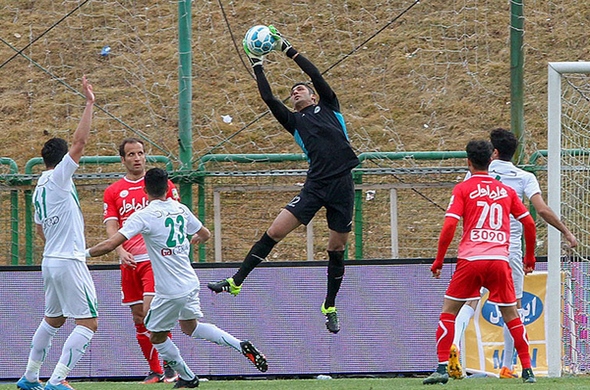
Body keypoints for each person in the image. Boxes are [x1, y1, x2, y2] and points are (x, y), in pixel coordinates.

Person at [207, 25, 360, 334]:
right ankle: (236, 282)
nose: (295, 92)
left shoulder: (329, 106)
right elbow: (267, 97)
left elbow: (315, 74)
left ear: (313, 95)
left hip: (342, 184)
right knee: (275, 231)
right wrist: (257, 63)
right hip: (316, 185)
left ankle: (330, 305)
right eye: (293, 93)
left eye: (300, 90)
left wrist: (287, 49)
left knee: (336, 247)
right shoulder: (294, 121)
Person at [88, 168, 268, 388]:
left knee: (155, 335)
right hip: (190, 282)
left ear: (145, 190)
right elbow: (205, 234)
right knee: (190, 327)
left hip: (169, 290)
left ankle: (188, 376)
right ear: (167, 188)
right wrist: (194, 239)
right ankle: (239, 345)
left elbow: (110, 244)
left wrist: (82, 254)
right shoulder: (180, 209)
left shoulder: (143, 216)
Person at [447, 128, 578, 380]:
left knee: (469, 301)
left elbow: (462, 205)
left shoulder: (473, 174)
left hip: (475, 248)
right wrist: (566, 232)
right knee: (513, 308)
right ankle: (507, 367)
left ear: (493, 152)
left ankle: (455, 345)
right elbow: (540, 211)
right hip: (508, 251)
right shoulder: (524, 176)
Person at [423, 140, 537, 385]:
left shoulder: (463, 189)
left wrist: (439, 260)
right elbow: (528, 223)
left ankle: (442, 367)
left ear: (468, 161)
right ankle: (527, 370)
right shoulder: (505, 190)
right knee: (512, 315)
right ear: (490, 159)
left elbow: (450, 226)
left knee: (449, 311)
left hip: (471, 260)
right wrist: (530, 257)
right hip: (499, 260)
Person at [17, 76, 97, 390]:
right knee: (89, 323)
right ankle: (58, 379)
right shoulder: (60, 177)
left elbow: (39, 228)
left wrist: (57, 242)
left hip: (50, 259)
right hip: (68, 260)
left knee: (54, 320)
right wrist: (90, 103)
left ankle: (30, 376)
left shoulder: (39, 187)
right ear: (61, 160)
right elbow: (80, 143)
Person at [103, 137, 180, 383]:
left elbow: (176, 216)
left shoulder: (161, 185)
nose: (137, 158)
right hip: (129, 261)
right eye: (132, 154)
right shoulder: (114, 191)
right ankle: (156, 369)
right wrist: (120, 250)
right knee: (138, 316)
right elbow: (112, 223)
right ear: (123, 159)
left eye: (140, 153)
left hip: (154, 260)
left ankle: (171, 366)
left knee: (154, 312)